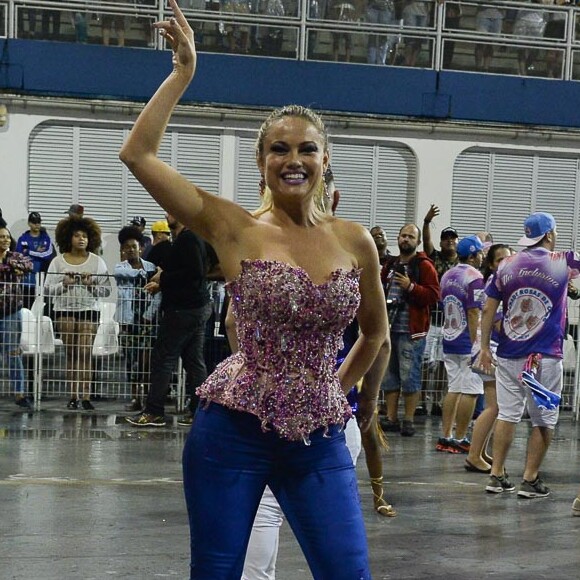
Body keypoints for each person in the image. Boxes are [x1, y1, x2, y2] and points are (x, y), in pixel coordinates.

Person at [118, 2, 387, 576]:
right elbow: (136, 154)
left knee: (349, 571)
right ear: (261, 160)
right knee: (216, 570)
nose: (294, 159)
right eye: (279, 149)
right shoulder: (232, 227)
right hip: (233, 428)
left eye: (306, 148)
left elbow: (374, 333)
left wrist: (335, 390)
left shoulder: (354, 239)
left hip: (317, 433)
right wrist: (182, 74)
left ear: (325, 159)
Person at [479, 212, 580, 498]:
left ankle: (496, 474)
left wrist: (485, 346)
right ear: (549, 235)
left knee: (508, 414)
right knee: (544, 419)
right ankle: (530, 479)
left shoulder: (506, 265)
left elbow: (488, 308)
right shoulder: (564, 261)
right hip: (545, 356)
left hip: (510, 354)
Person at [125, 212, 213, 427]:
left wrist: (163, 278)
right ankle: (199, 412)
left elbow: (193, 272)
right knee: (194, 362)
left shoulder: (188, 239)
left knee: (163, 359)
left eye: (171, 211)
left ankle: (154, 411)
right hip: (197, 307)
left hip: (182, 310)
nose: (167, 215)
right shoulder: (195, 238)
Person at [44, 216, 111, 410]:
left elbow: (106, 290)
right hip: (64, 310)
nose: (81, 239)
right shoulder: (58, 261)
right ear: (68, 237)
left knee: (85, 352)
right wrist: (64, 285)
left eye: (85, 236)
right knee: (71, 352)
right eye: (77, 235)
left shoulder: (97, 262)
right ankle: (73, 395)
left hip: (89, 309)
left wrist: (91, 286)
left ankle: (86, 396)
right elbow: (47, 288)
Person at [378, 223, 439, 437]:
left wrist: (411, 287)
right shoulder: (390, 264)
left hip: (411, 332)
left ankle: (409, 419)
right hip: (389, 329)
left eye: (410, 237)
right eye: (403, 236)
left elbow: (433, 295)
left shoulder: (424, 266)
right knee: (390, 377)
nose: (406, 239)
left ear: (418, 241)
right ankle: (391, 418)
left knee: (410, 377)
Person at [436, 235, 485, 454]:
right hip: (467, 340)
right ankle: (460, 437)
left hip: (450, 337)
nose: (483, 256)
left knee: (454, 387)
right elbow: (474, 311)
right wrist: (478, 344)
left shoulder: (447, 275)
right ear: (474, 255)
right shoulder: (474, 277)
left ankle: (445, 436)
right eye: (481, 252)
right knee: (471, 390)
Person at [464, 243, 511, 473]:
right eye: (500, 259)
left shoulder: (493, 283)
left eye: (509, 258)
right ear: (491, 265)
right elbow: (501, 324)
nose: (505, 263)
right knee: (494, 407)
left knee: (496, 406)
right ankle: (473, 455)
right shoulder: (498, 286)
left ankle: (480, 452)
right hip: (489, 351)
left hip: (486, 350)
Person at [114, 226, 160, 412]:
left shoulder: (151, 266)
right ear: (123, 250)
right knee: (131, 360)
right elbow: (125, 276)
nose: (131, 250)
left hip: (147, 320)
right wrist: (147, 274)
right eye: (127, 247)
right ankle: (135, 398)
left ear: (141, 247)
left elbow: (158, 293)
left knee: (146, 361)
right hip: (127, 321)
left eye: (134, 246)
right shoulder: (120, 268)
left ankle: (148, 396)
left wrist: (149, 314)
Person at [422, 204, 459, 416]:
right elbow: (426, 242)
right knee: (428, 362)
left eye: (453, 238)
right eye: (446, 238)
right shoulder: (434, 258)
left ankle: (438, 400)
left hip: (452, 321)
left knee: (445, 365)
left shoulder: (462, 262)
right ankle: (423, 399)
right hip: (433, 319)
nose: (450, 241)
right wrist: (427, 222)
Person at [0, 226, 34, 408]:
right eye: (1, 237)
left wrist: (10, 265)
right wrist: (10, 270)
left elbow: (29, 265)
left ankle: (20, 394)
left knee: (13, 353)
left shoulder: (15, 256)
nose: (5, 240)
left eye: (7, 237)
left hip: (10, 311)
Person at [16, 211, 56, 308]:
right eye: (34, 222)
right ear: (29, 223)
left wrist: (29, 251)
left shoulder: (46, 238)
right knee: (25, 306)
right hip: (25, 279)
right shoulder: (23, 238)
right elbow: (18, 255)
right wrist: (38, 252)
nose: (37, 224)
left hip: (41, 278)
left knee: (40, 306)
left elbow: (47, 255)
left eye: (38, 222)